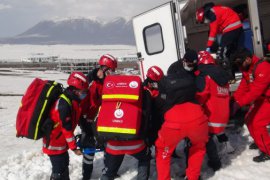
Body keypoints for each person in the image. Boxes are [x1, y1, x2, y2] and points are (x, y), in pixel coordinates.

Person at [100, 66, 164, 180]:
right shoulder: (146, 95)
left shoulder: (111, 97)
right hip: (135, 143)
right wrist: (148, 138)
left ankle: (109, 175)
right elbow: (148, 119)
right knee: (144, 158)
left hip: (112, 144)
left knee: (109, 171)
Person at [155, 50, 208, 180]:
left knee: (163, 151)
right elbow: (201, 92)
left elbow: (160, 102)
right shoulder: (195, 76)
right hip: (197, 118)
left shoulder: (169, 79)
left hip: (174, 122)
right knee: (198, 148)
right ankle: (193, 177)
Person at [42, 71, 89, 180]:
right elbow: (67, 129)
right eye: (84, 91)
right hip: (54, 144)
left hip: (61, 143)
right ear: (76, 90)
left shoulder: (72, 100)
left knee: (63, 168)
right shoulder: (64, 104)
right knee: (58, 172)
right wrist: (74, 148)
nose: (85, 93)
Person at [79, 54, 118, 180]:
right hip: (88, 120)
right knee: (89, 148)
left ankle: (109, 170)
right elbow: (84, 103)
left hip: (101, 119)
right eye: (111, 70)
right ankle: (86, 175)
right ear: (104, 68)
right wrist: (84, 121)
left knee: (107, 144)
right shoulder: (90, 83)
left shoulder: (106, 82)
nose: (112, 73)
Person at [195, 51, 233, 171]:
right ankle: (228, 146)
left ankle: (215, 162)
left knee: (206, 138)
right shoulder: (222, 76)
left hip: (211, 116)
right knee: (218, 131)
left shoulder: (206, 76)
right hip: (223, 116)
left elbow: (202, 95)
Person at [231, 48, 270, 162]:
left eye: (239, 63)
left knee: (258, 123)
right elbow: (244, 87)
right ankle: (260, 141)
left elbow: (255, 91)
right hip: (262, 99)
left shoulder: (263, 67)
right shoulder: (248, 69)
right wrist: (233, 100)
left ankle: (267, 150)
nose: (239, 66)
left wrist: (239, 103)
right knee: (249, 119)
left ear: (247, 59)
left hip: (267, 99)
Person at [196, 2, 243, 80]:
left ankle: (227, 77)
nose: (204, 22)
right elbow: (218, 29)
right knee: (230, 52)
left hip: (231, 27)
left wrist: (208, 46)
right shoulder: (214, 10)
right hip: (235, 26)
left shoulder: (211, 14)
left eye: (203, 21)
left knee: (221, 54)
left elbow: (213, 31)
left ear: (204, 16)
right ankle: (235, 72)